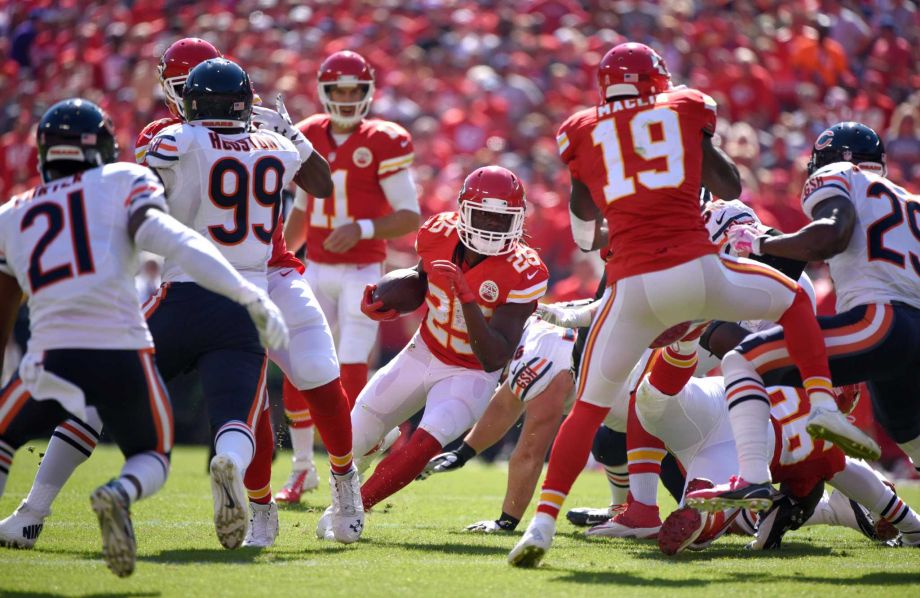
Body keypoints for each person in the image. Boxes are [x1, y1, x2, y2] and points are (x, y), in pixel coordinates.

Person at [509, 42, 874, 568]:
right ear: (657, 82)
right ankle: (820, 404)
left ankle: (540, 528)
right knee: (794, 297)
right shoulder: (683, 108)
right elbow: (729, 182)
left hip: (635, 285)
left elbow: (585, 224)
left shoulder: (581, 129)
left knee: (587, 410)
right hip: (696, 272)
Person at [0, 39, 361, 549]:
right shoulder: (232, 138)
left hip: (254, 274)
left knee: (316, 373)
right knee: (246, 404)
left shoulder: (176, 138)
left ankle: (345, 490)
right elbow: (317, 184)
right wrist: (281, 133)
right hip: (243, 283)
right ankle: (259, 508)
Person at [0, 98, 286, 574]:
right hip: (160, 322)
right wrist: (246, 293)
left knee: (62, 420)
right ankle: (197, 471)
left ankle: (31, 514)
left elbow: (5, 309)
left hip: (58, 352)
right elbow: (176, 238)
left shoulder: (12, 213)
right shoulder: (122, 181)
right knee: (203, 430)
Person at [689, 122, 920, 508]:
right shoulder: (910, 200)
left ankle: (752, 480)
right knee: (912, 437)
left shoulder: (836, 176)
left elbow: (832, 234)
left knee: (743, 360)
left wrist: (764, 241)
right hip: (910, 328)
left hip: (881, 322)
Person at [315, 165, 549, 539]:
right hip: (423, 350)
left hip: (471, 374)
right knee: (349, 439)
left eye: (501, 218)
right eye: (483, 215)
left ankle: (357, 505)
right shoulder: (438, 232)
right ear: (463, 212)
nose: (490, 226)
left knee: (424, 444)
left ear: (518, 221)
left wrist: (468, 298)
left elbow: (495, 356)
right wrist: (388, 300)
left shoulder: (525, 269)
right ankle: (375, 443)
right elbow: (422, 281)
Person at [277, 50, 420, 503]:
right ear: (323, 90)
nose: (343, 98)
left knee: (353, 365)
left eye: (352, 90)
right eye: (337, 89)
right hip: (315, 266)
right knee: (298, 361)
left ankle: (352, 464)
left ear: (367, 93)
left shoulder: (384, 139)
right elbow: (301, 209)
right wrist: (275, 254)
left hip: (362, 269)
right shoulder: (308, 133)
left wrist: (361, 227)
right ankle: (302, 467)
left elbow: (409, 217)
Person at [419, 313, 576, 533]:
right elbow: (505, 405)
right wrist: (464, 453)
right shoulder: (536, 331)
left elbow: (530, 453)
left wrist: (506, 522)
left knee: (611, 445)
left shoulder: (541, 360)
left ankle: (627, 508)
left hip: (625, 402)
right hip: (606, 382)